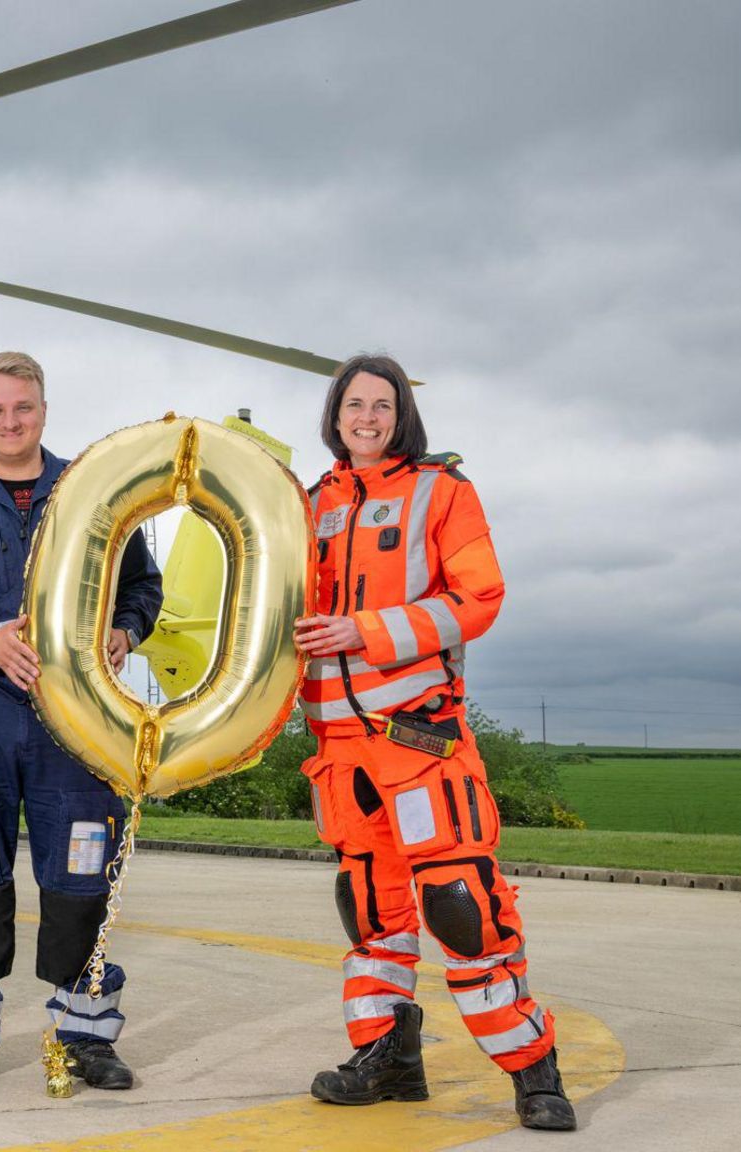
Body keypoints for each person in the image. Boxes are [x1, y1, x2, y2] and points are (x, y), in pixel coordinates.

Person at [295, 354, 576, 1131]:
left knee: (461, 908)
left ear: (401, 416)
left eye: (382, 405)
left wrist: (365, 631)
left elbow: (478, 598)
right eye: (354, 404)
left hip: (418, 739)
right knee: (372, 911)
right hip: (338, 748)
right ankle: (388, 1056)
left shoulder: (441, 491)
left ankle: (532, 1067)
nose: (367, 417)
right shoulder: (309, 503)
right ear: (336, 413)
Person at [0, 351, 162, 1091]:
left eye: (22, 408)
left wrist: (125, 631)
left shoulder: (93, 493)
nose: (9, 422)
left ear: (42, 411)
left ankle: (86, 1037)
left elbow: (142, 584)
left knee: (81, 873)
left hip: (73, 715)